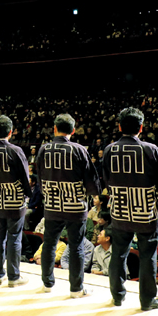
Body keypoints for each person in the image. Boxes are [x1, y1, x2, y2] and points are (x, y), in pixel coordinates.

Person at [103, 107, 158, 310]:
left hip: (120, 209)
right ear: (141, 127)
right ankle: (147, 300)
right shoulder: (150, 149)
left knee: (118, 253)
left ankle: (117, 296)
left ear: (119, 126)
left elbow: (106, 179)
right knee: (148, 255)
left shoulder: (109, 149)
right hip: (146, 212)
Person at [37, 113, 101, 297]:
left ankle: (47, 284)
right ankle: (76, 289)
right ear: (73, 131)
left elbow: (39, 178)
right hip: (75, 206)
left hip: (52, 204)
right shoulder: (79, 150)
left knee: (49, 244)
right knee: (76, 246)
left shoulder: (44, 149)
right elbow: (92, 181)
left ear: (54, 129)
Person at [0, 115, 32, 287]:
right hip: (14, 200)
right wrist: (28, 196)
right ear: (11, 132)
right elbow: (26, 178)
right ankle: (13, 277)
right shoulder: (15, 150)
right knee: (14, 238)